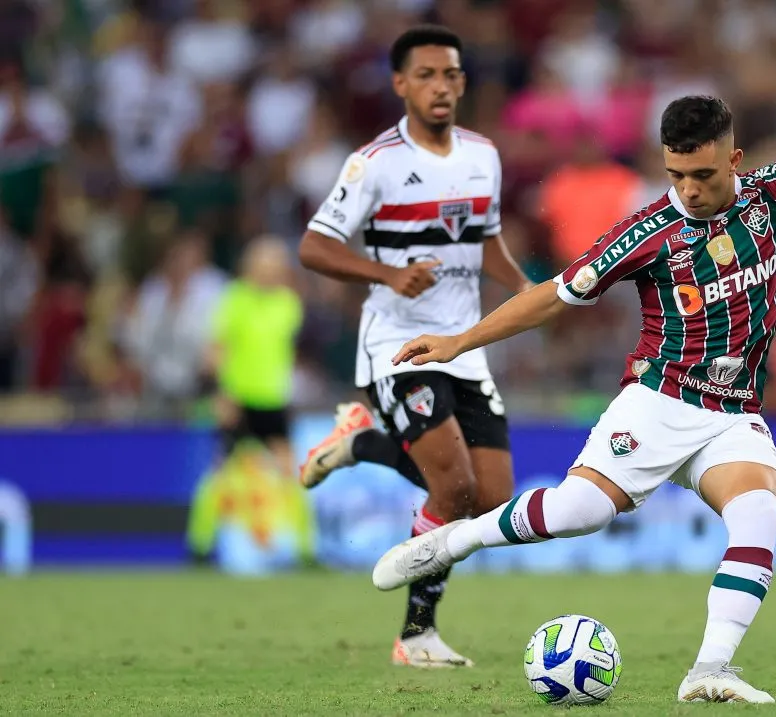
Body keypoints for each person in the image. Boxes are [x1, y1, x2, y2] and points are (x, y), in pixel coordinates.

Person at [372, 12, 776, 703]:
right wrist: (457, 342)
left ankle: (709, 670)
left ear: (733, 161)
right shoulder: (648, 232)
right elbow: (553, 297)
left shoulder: (775, 195)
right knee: (577, 512)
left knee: (761, 514)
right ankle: (457, 541)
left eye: (702, 175)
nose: (688, 189)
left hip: (731, 414)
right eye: (676, 174)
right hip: (657, 403)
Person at [296, 25, 533, 667]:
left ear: (462, 82)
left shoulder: (483, 154)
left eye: (450, 75)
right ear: (400, 84)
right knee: (451, 488)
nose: (440, 86)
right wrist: (388, 274)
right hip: (398, 346)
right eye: (425, 75)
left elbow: (486, 239)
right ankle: (417, 635)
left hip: (463, 346)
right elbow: (314, 245)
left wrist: (532, 291)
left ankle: (359, 443)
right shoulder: (374, 163)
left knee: (491, 503)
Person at [210, 236, 303, 475]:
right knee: (229, 469)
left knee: (285, 468)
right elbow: (217, 347)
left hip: (273, 398)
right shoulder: (234, 298)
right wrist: (222, 391)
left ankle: (285, 512)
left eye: (275, 267)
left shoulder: (288, 303)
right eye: (264, 266)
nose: (269, 273)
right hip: (237, 396)